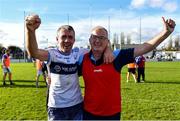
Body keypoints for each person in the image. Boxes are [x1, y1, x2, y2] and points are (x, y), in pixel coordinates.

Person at [78, 17, 175, 120]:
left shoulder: (116, 56)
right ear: (89, 39)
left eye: (102, 38)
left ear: (107, 42)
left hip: (112, 115)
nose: (97, 40)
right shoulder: (82, 59)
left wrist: (165, 33)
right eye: (94, 37)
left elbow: (145, 47)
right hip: (88, 113)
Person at [25, 14, 113, 120]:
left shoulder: (79, 53)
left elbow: (99, 48)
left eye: (70, 37)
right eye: (64, 37)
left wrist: (108, 48)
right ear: (57, 39)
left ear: (74, 40)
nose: (67, 40)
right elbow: (34, 53)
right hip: (56, 108)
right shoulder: (51, 54)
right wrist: (30, 31)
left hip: (77, 106)